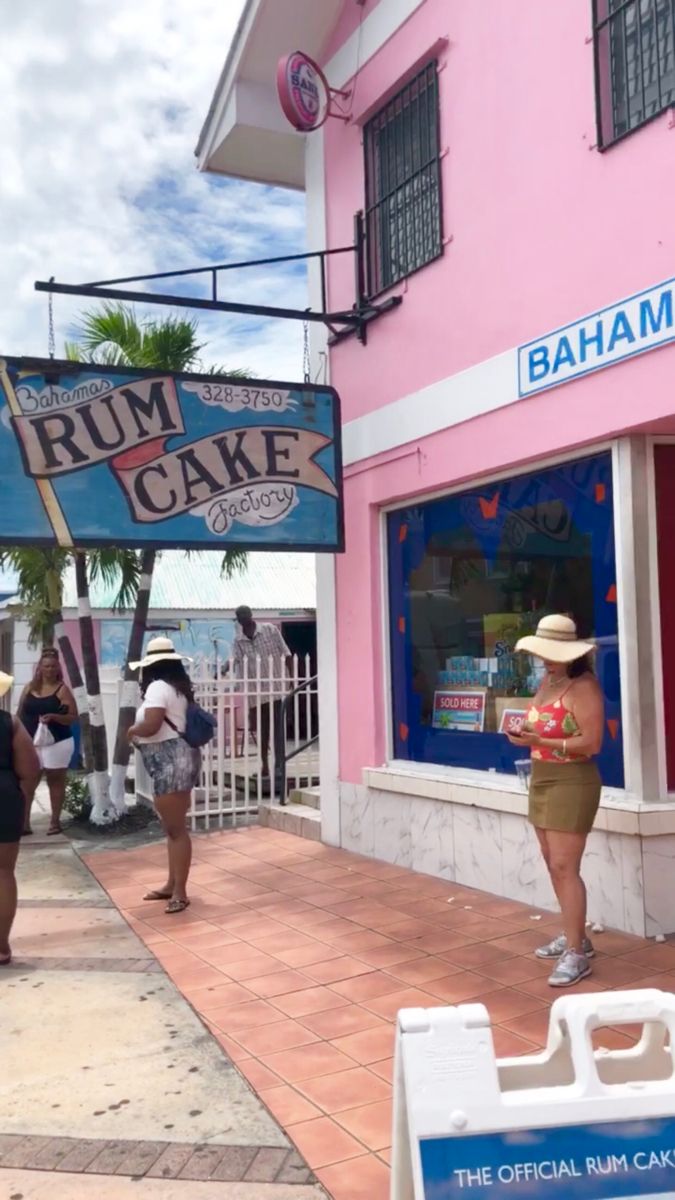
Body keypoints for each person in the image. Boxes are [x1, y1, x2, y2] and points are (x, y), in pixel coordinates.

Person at [506, 614, 605, 988]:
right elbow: (544, 724)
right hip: (542, 777)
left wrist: (541, 742)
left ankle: (576, 952)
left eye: (552, 654)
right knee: (552, 863)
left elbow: (592, 743)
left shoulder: (584, 687)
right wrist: (527, 732)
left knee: (565, 865)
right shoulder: (550, 681)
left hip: (572, 780)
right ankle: (574, 933)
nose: (545, 660)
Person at [127, 637, 200, 914]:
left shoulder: (157, 687)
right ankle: (172, 883)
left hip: (170, 762)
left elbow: (152, 724)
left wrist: (132, 731)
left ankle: (179, 891)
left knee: (176, 830)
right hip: (180, 758)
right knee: (173, 828)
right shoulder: (177, 688)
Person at [0, 671, 41, 965]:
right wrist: (20, 801)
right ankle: (1, 946)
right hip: (4, 797)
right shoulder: (9, 723)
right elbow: (30, 769)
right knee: (3, 873)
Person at [18, 648, 76, 836]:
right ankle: (24, 823)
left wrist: (54, 717)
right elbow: (19, 713)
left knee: (55, 781)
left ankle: (55, 822)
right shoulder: (29, 688)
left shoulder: (62, 690)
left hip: (57, 742)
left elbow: (72, 716)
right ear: (40, 668)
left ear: (58, 667)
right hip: (30, 743)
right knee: (27, 783)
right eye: (46, 666)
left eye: (52, 666)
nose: (49, 670)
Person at [232, 606, 292, 777]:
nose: (242, 618)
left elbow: (286, 653)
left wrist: (292, 679)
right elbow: (236, 661)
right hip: (255, 693)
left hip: (276, 689)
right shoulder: (238, 640)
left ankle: (279, 766)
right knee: (261, 731)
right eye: (239, 616)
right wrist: (223, 671)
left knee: (278, 730)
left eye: (244, 614)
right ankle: (264, 766)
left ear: (251, 615)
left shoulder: (270, 630)